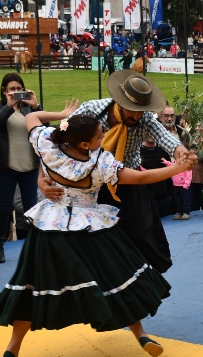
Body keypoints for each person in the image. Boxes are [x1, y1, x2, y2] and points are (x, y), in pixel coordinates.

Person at [0, 100, 197, 357]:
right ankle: (141, 335)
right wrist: (176, 169)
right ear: (85, 144)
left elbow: (32, 117)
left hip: (51, 226)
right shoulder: (99, 163)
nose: (103, 136)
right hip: (90, 227)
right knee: (118, 275)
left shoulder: (48, 145)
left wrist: (61, 114)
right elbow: (140, 177)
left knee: (33, 284)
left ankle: (13, 347)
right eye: (99, 135)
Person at [40, 71, 188, 278]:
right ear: (119, 101)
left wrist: (179, 150)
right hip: (92, 187)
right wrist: (41, 178)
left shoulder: (144, 119)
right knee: (95, 240)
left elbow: (165, 137)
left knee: (143, 236)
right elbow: (55, 144)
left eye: (142, 110)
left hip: (130, 183)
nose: (137, 116)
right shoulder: (91, 111)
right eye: (133, 110)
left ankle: (141, 286)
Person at [0, 73, 43, 264]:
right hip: (6, 165)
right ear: (4, 91)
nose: (16, 92)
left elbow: (45, 131)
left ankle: (35, 246)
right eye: (11, 89)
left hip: (28, 165)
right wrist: (9, 106)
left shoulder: (29, 108)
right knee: (3, 207)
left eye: (19, 88)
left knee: (31, 207)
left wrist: (36, 106)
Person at [161, 154, 192, 219]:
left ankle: (186, 212)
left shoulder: (186, 164)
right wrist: (166, 162)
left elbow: (189, 175)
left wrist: (186, 184)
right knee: (178, 200)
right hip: (176, 186)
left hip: (184, 186)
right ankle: (179, 212)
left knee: (185, 200)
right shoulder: (175, 163)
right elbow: (171, 166)